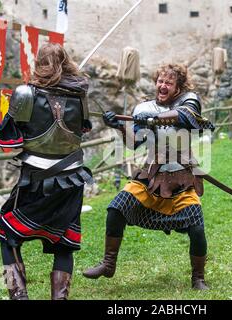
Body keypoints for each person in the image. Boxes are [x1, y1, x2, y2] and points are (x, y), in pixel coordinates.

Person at [83, 63, 215, 290]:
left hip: (182, 179)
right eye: (160, 81)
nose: (162, 86)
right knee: (117, 208)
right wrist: (119, 127)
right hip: (152, 178)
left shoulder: (189, 100)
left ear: (178, 87)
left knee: (197, 228)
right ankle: (108, 263)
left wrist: (153, 118)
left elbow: (185, 117)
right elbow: (134, 143)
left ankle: (198, 278)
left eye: (169, 83)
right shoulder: (144, 107)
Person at [0, 43, 93, 300]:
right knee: (64, 244)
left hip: (36, 180)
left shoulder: (26, 93)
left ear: (39, 63)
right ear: (65, 62)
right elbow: (84, 128)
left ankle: (18, 295)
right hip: (72, 179)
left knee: (6, 232)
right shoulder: (79, 95)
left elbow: (9, 137)